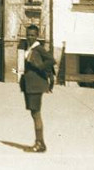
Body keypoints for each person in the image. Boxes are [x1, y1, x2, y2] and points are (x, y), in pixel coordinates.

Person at [20, 24, 56, 153]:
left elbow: (52, 60)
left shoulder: (38, 48)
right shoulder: (29, 48)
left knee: (36, 114)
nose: (30, 37)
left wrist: (39, 66)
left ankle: (39, 144)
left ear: (37, 36)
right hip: (29, 85)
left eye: (33, 35)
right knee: (34, 113)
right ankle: (40, 142)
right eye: (28, 35)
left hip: (35, 86)